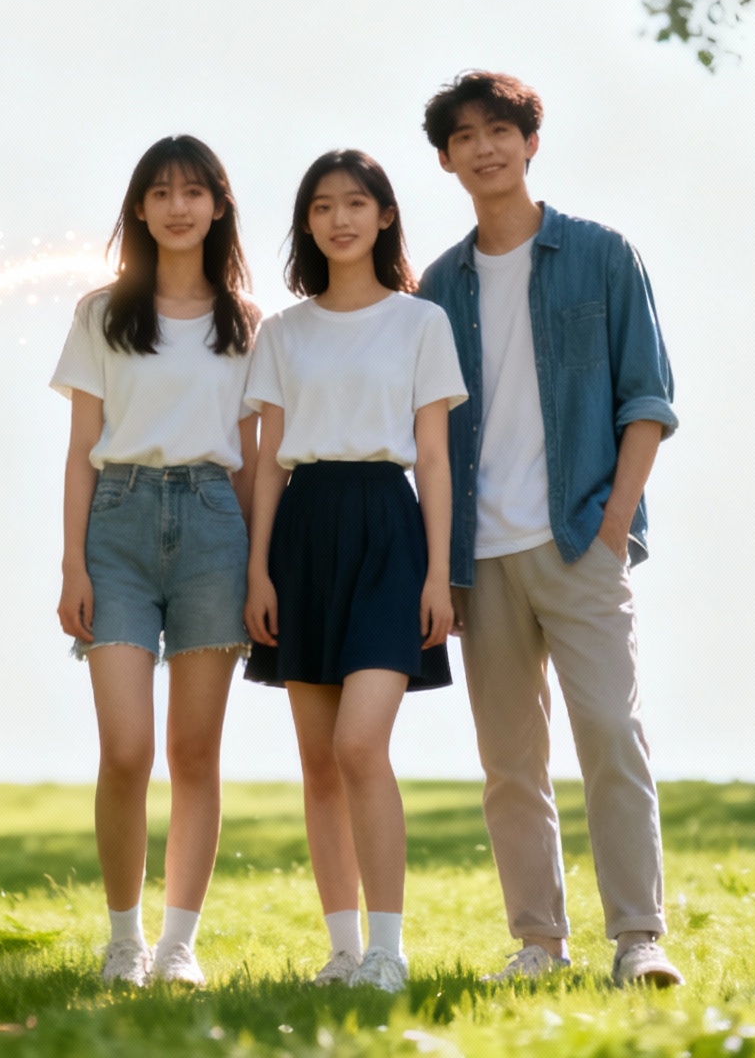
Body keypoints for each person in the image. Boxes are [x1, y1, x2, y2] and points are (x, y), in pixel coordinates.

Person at [415, 71, 683, 986]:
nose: (484, 147)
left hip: (579, 539)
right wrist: (438, 565)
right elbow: (425, 437)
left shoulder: (604, 255)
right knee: (508, 762)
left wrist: (613, 523)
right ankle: (539, 941)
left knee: (611, 730)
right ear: (446, 160)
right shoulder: (435, 287)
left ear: (531, 143)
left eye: (501, 130)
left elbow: (646, 398)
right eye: (465, 136)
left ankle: (638, 937)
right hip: (475, 558)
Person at [242, 150, 466, 994]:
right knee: (319, 761)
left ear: (383, 217)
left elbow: (435, 462)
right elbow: (265, 464)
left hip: (387, 529)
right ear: (307, 222)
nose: (341, 218)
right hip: (302, 532)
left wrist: (438, 576)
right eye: (324, 206)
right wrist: (258, 571)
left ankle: (388, 952)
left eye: (357, 203)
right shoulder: (283, 333)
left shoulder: (420, 323)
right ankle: (341, 953)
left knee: (359, 745)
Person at [51, 136, 261, 987]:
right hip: (119, 528)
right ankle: (124, 940)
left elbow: (254, 455)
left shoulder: (246, 324)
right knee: (128, 749)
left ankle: (179, 946)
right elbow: (79, 450)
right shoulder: (102, 314)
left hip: (216, 525)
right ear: (139, 208)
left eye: (195, 191)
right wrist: (72, 566)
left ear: (218, 205)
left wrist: (259, 569)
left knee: (195, 753)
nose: (179, 206)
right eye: (161, 192)